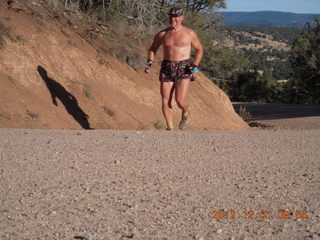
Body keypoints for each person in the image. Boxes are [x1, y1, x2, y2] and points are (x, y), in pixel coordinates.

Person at [145, 7, 203, 130]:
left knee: (180, 100)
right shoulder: (162, 34)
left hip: (184, 67)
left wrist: (195, 67)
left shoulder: (189, 33)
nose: (173, 19)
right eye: (171, 16)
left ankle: (186, 111)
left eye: (176, 17)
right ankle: (170, 127)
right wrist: (149, 63)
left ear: (182, 18)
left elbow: (199, 49)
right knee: (165, 100)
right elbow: (153, 49)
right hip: (167, 66)